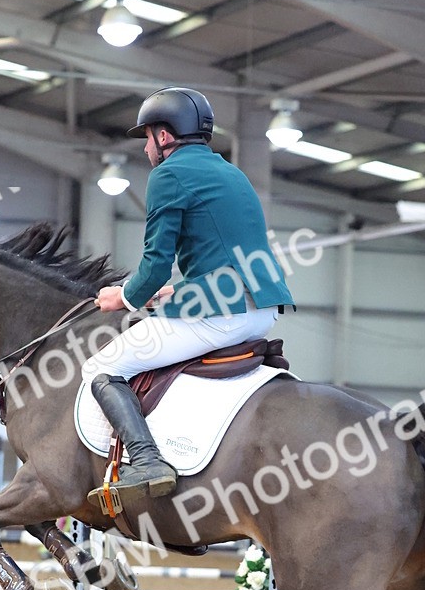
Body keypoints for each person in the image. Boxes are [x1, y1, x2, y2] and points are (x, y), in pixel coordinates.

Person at [83, 85, 295, 509]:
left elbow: (156, 261)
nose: (146, 148)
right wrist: (176, 293)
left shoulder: (169, 174)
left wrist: (124, 297)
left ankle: (146, 461)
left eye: (147, 137)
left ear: (165, 136)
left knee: (102, 366)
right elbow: (227, 254)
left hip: (223, 314)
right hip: (262, 308)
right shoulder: (230, 172)